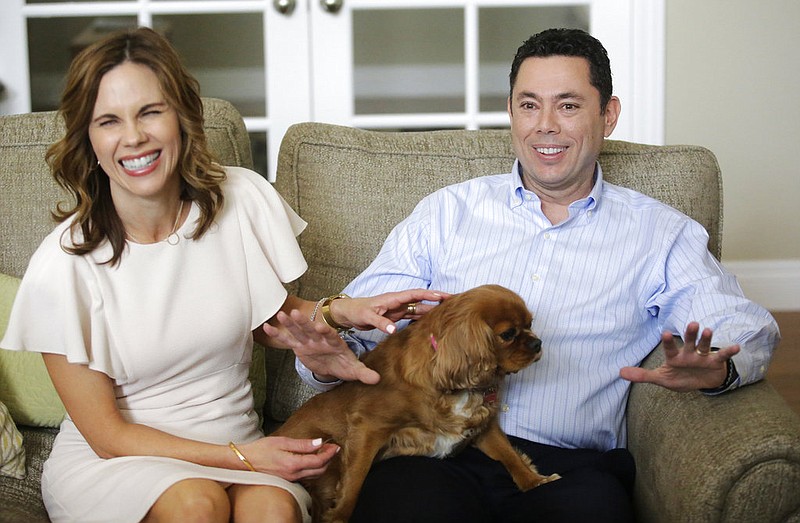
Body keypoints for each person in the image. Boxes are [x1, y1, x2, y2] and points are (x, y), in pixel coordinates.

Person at [265, 28, 781, 522]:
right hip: (428, 457)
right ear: (511, 112)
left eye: (569, 105)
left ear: (609, 115)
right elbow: (358, 332)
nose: (545, 125)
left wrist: (718, 368)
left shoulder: (660, 234)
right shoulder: (446, 214)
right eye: (529, 104)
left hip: (567, 465)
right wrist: (326, 359)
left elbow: (743, 326)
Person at [0, 27, 442, 523]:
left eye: (150, 111)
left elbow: (270, 319)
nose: (134, 137)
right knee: (197, 504)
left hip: (237, 440)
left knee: (272, 509)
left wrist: (342, 312)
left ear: (182, 117)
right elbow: (107, 436)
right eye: (109, 121)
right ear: (89, 138)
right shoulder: (64, 262)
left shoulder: (241, 200)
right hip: (120, 461)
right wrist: (244, 457)